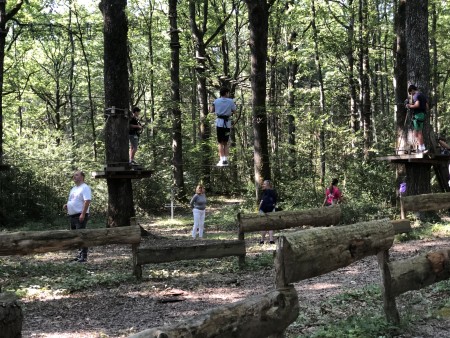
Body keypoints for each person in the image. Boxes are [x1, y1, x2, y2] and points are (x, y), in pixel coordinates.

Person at [63, 171, 92, 263]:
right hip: (72, 215)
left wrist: (83, 214)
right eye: (74, 175)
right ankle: (79, 255)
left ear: (82, 177)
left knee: (81, 235)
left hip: (80, 215)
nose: (74, 176)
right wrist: (67, 205)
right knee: (76, 236)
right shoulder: (74, 188)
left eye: (76, 175)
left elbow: (87, 201)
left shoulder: (85, 187)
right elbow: (73, 200)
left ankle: (83, 257)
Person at [210, 87, 236, 166]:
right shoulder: (231, 101)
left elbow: (211, 111)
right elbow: (234, 111)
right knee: (225, 142)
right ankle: (225, 160)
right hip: (227, 124)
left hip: (219, 123)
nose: (228, 94)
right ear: (226, 93)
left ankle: (221, 160)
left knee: (220, 142)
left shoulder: (216, 101)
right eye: (228, 93)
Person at [406, 85, 429, 154]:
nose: (411, 94)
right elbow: (427, 106)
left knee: (416, 133)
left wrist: (409, 106)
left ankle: (421, 148)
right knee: (419, 132)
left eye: (410, 93)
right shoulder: (423, 95)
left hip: (417, 115)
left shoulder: (416, 95)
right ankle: (421, 148)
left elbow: (417, 105)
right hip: (422, 115)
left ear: (412, 90)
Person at [259, 180, 277, 245]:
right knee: (271, 224)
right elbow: (275, 202)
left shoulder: (264, 192)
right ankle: (271, 240)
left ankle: (262, 240)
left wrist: (259, 209)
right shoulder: (274, 192)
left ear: (268, 185)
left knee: (263, 225)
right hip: (271, 209)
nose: (263, 185)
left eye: (264, 184)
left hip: (263, 209)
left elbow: (261, 202)